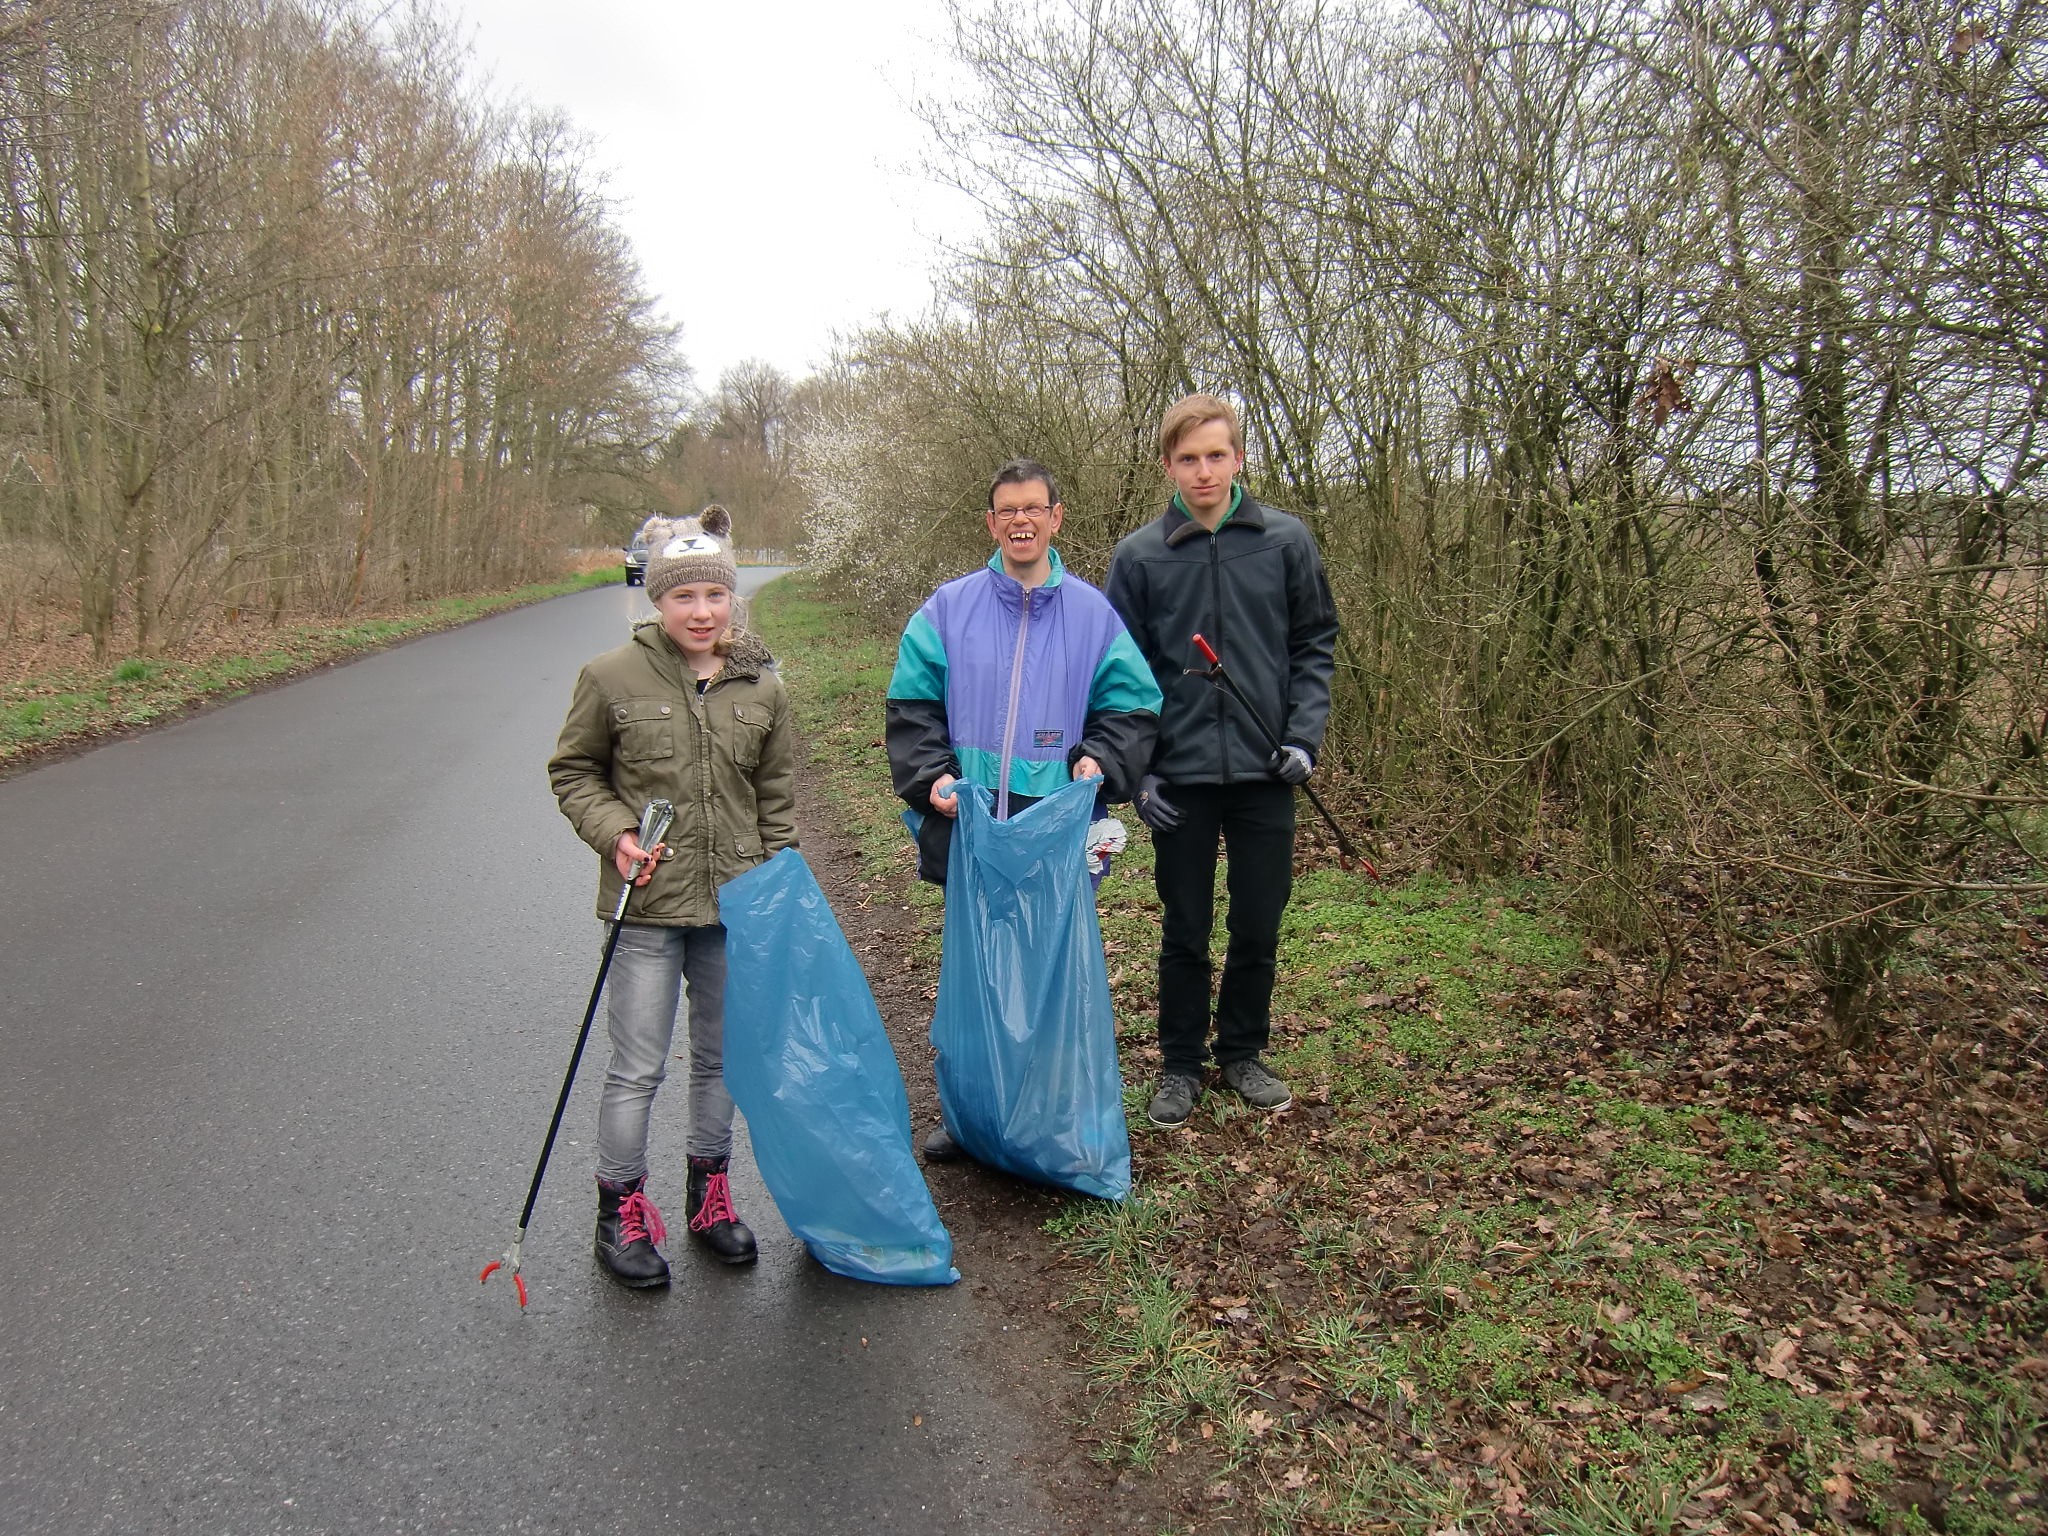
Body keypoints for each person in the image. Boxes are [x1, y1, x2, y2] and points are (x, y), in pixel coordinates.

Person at [885, 458, 1162, 1161]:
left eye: (1034, 507)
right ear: (991, 522)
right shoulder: (947, 610)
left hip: (1053, 832)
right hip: (971, 824)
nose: (1021, 520)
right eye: (1008, 509)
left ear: (1056, 517)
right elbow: (912, 708)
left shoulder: (1093, 615)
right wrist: (932, 778)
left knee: (1050, 980)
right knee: (976, 979)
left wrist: (1101, 758)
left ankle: (1050, 1121)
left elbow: (1133, 709)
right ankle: (973, 1118)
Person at [548, 506, 796, 1284]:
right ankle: (619, 1212)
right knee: (637, 1067)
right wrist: (616, 833)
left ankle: (709, 1199)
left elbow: (776, 799)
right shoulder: (609, 677)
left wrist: (779, 889)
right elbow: (574, 772)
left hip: (733, 907)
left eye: (714, 595)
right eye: (684, 596)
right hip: (647, 909)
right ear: (658, 600)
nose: (701, 611)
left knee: (720, 1062)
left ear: (732, 597)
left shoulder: (762, 686)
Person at [1105, 395, 1339, 1128]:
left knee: (1259, 922)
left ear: (1238, 458)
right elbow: (1119, 674)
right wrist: (1139, 773)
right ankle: (1180, 1064)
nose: (1203, 471)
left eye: (1215, 455)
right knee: (1185, 927)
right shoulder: (1139, 556)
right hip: (1179, 778)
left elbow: (1314, 644)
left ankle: (1242, 1052)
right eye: (1188, 458)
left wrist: (1303, 738)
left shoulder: (1285, 541)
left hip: (1268, 772)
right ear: (1167, 466)